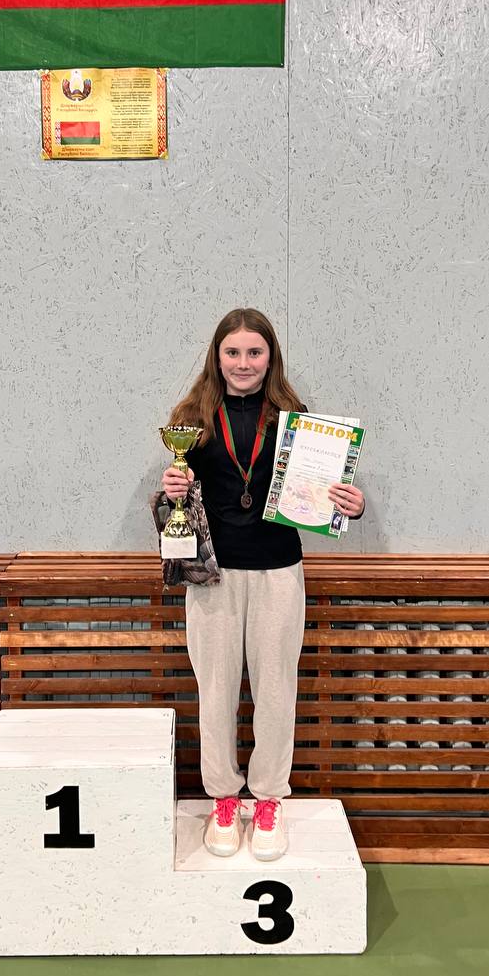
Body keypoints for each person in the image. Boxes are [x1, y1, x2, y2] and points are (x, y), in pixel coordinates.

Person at [162, 308, 365, 861]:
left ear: (270, 356)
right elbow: (180, 500)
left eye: (254, 352)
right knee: (216, 691)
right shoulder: (192, 418)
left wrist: (349, 506)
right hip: (214, 576)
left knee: (276, 691)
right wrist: (174, 488)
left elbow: (322, 498)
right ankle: (224, 800)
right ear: (217, 356)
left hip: (278, 571)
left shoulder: (297, 422)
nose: (243, 363)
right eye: (233, 352)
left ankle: (270, 798)